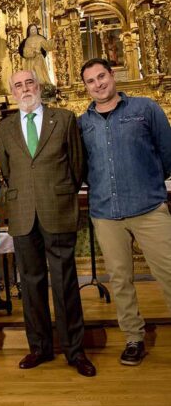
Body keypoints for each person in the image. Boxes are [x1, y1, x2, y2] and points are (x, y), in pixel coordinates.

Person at [0, 70, 96, 377]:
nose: (25, 89)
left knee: (65, 281)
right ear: (12, 92)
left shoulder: (64, 119)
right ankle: (39, 346)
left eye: (30, 83)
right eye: (18, 85)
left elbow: (77, 165)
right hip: (23, 214)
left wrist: (57, 192)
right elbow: (8, 171)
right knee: (30, 283)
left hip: (57, 209)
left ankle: (74, 350)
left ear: (39, 87)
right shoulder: (5, 127)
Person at [79, 58, 171, 366]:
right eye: (90, 81)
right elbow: (82, 167)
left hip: (148, 208)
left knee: (168, 273)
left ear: (112, 75)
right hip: (106, 213)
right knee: (120, 280)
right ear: (86, 87)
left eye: (101, 76)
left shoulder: (145, 110)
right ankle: (134, 338)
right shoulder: (83, 124)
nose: (98, 84)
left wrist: (154, 189)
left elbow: (168, 154)